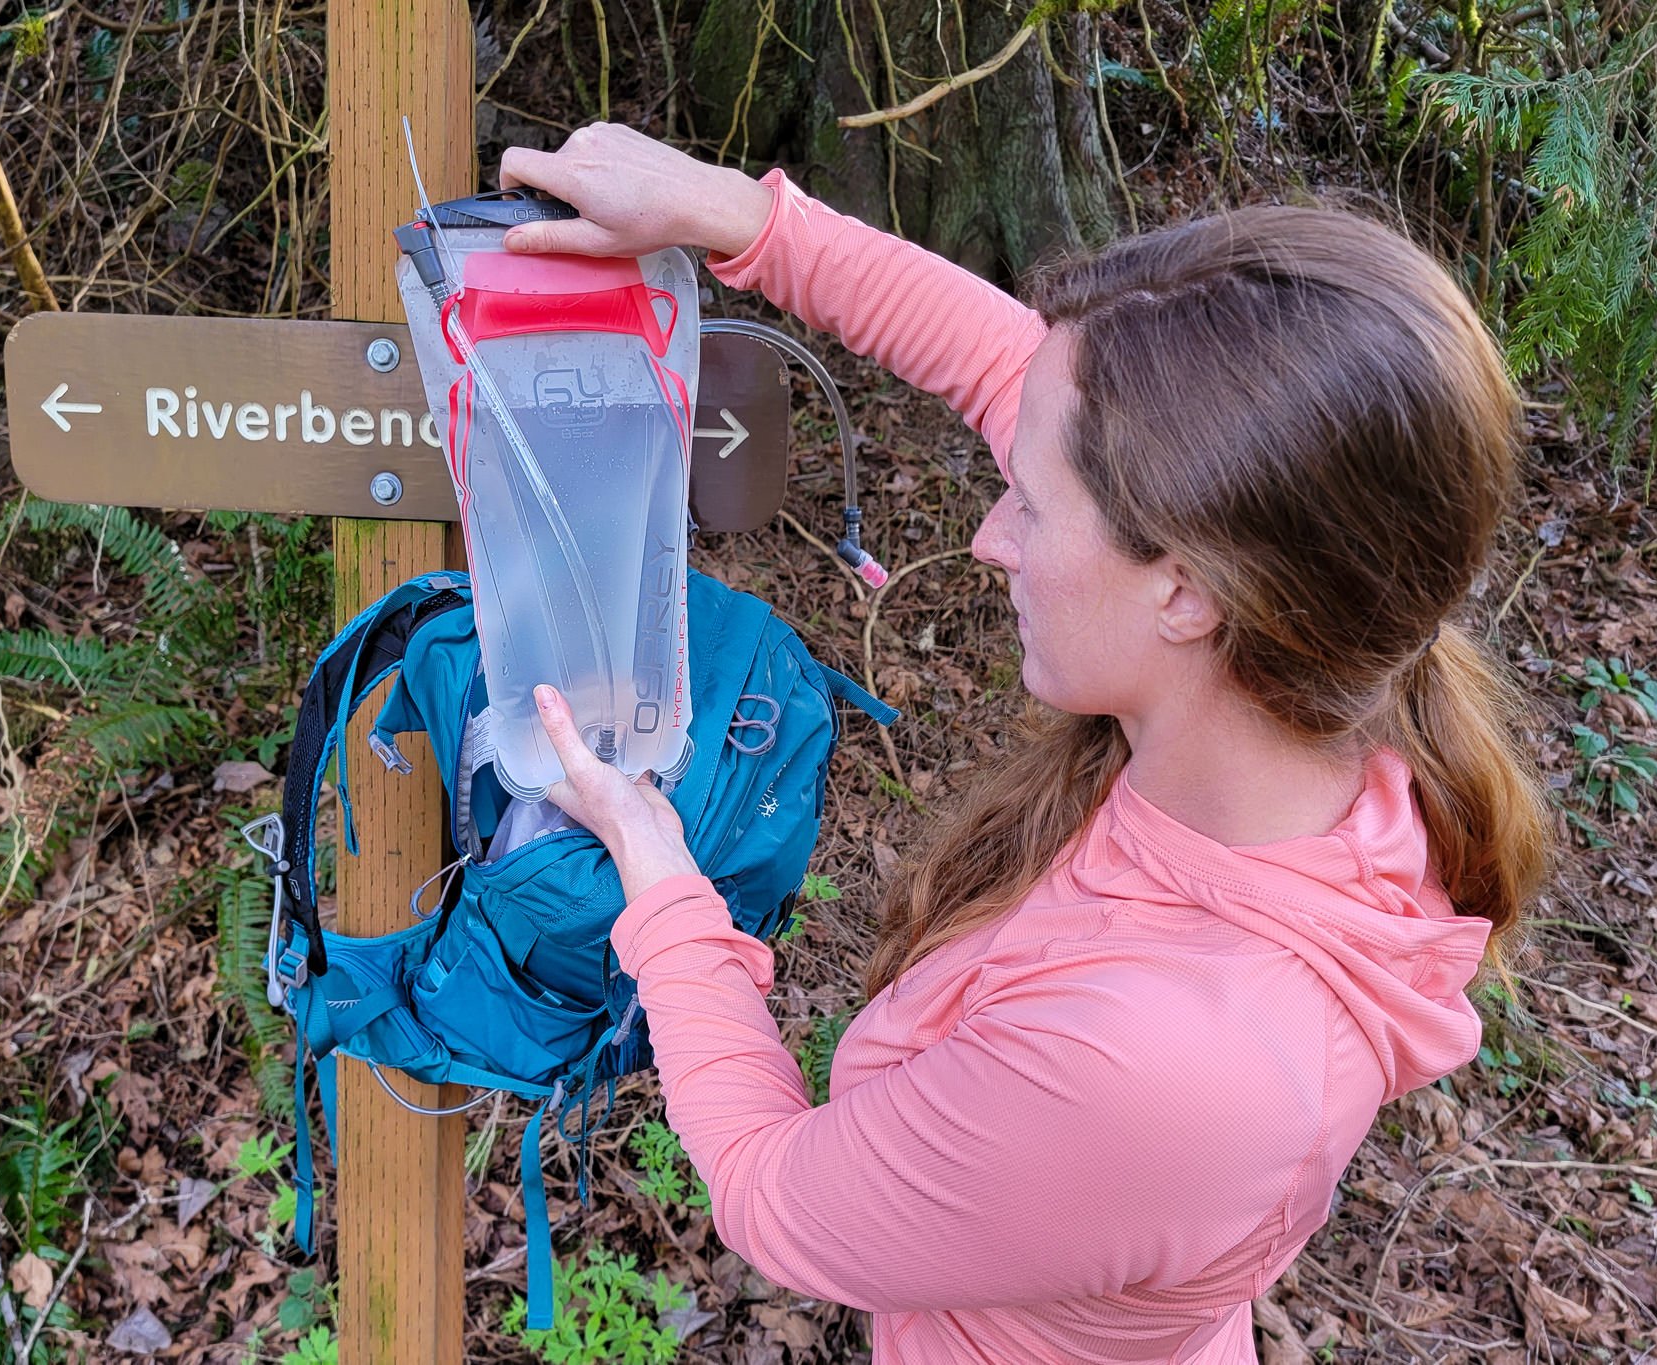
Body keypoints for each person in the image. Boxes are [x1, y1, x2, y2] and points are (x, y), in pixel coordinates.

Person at [500, 123, 1549, 1365]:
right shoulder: (1330, 693)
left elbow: (776, 1199)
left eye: (1030, 503)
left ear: (1187, 591)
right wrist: (741, 219)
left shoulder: (1158, 1068)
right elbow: (1013, 371)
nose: (991, 535)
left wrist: (661, 882)